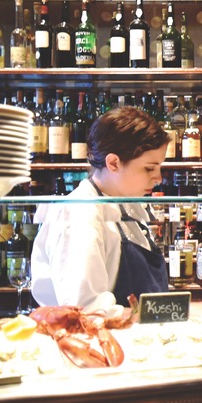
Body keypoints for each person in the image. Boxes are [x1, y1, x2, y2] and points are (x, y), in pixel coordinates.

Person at [31, 106, 170, 314]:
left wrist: (182, 311)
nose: (158, 178)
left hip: (137, 337)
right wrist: (170, 314)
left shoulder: (127, 205)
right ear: (113, 163)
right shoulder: (80, 213)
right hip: (102, 341)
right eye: (149, 168)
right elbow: (87, 310)